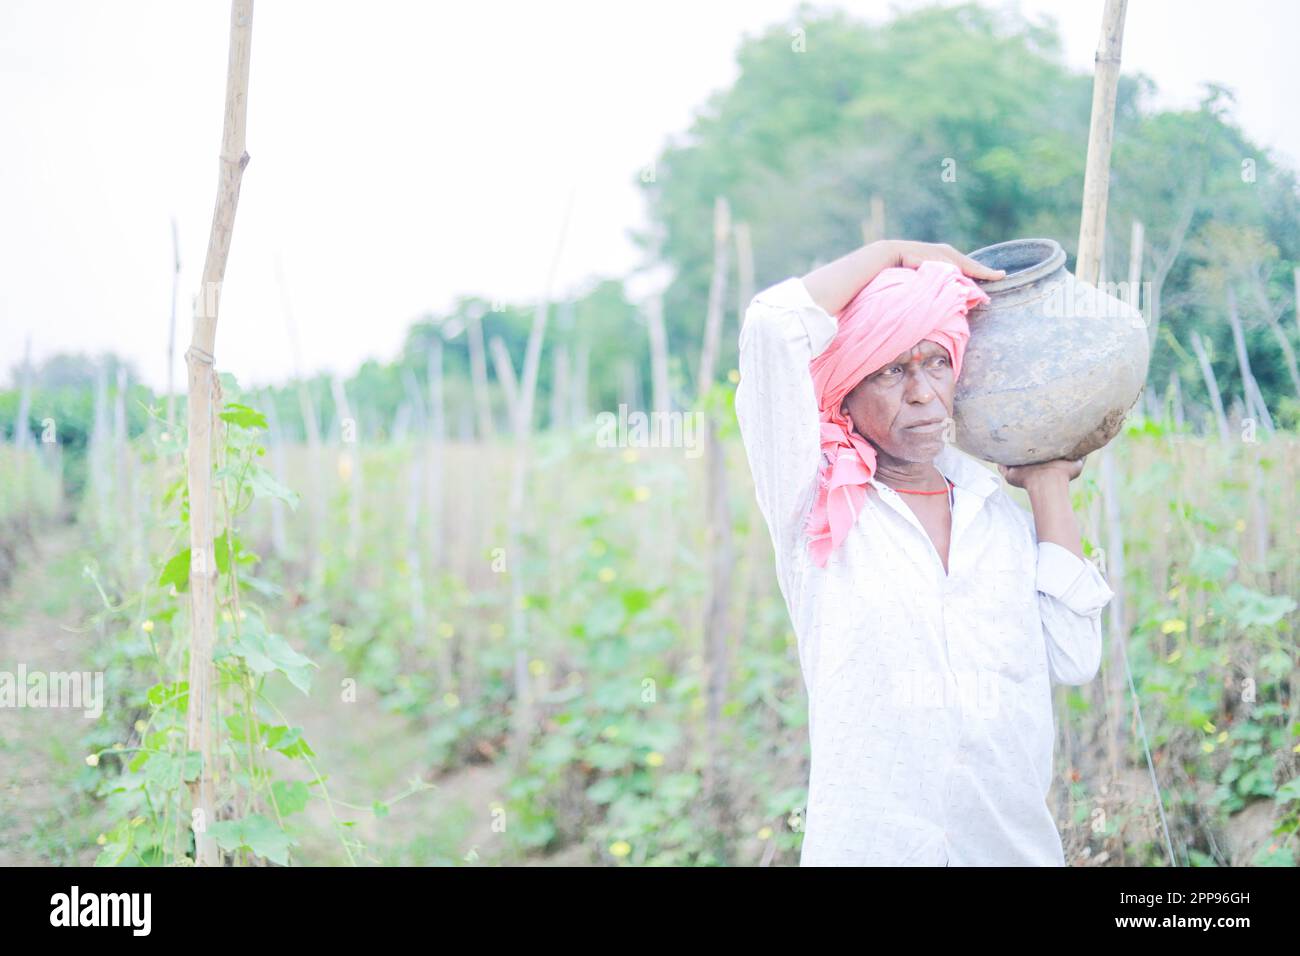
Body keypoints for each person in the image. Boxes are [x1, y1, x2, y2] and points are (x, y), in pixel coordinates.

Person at [734, 238, 1115, 866]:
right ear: (844, 395)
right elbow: (771, 327)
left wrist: (1048, 491)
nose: (921, 393)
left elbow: (1075, 656)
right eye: (890, 369)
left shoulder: (992, 515)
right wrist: (892, 252)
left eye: (936, 363)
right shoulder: (816, 504)